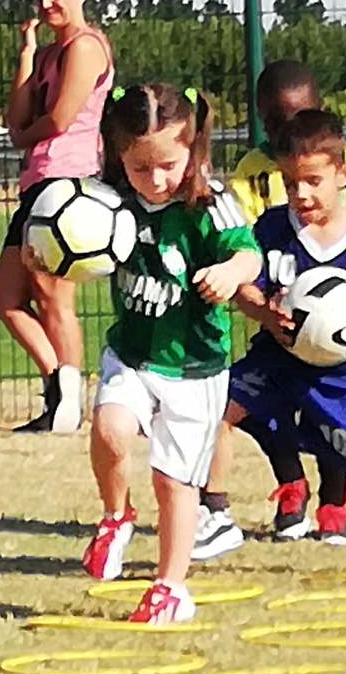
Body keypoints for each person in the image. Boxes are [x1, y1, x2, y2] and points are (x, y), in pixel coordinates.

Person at [197, 60, 346, 561]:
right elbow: (245, 288)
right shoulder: (272, 229)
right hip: (277, 357)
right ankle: (214, 514)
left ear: (343, 174)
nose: (301, 193)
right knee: (213, 410)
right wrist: (265, 313)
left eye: (313, 181)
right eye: (291, 182)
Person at [80, 83, 261, 624]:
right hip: (132, 353)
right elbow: (69, 236)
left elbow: (249, 256)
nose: (156, 180)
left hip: (194, 367)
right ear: (118, 155)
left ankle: (170, 587)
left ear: (193, 150)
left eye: (168, 165)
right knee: (110, 429)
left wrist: (230, 272)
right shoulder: (106, 200)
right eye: (141, 167)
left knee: (173, 481)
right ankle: (116, 516)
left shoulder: (211, 204)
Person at [0, 0, 115, 433]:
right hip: (37, 182)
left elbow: (59, 119)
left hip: (68, 183)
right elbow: (17, 116)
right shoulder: (47, 54)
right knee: (6, 298)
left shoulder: (86, 47)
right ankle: (59, 387)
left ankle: (66, 403)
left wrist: (24, 137)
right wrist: (27, 54)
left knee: (52, 294)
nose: (46, 3)